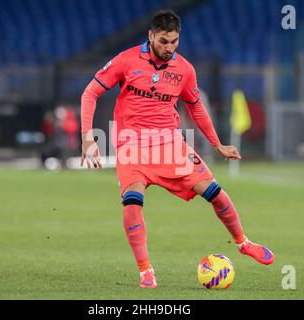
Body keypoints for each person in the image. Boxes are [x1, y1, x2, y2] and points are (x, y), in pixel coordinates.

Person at [80, 10, 274, 288]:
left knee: (215, 192)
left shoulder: (184, 69)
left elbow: (196, 107)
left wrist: (216, 144)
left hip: (170, 144)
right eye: (163, 41)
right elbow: (90, 92)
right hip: (132, 145)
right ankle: (146, 271)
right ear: (150, 36)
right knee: (132, 201)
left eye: (174, 42)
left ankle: (244, 242)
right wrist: (88, 138)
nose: (169, 48)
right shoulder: (126, 60)